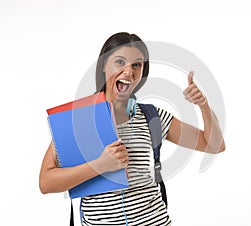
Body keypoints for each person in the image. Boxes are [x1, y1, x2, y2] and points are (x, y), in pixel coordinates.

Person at [39, 32, 225, 226]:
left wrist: (203, 105)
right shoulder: (78, 121)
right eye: (120, 62)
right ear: (103, 65)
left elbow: (214, 145)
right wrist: (100, 165)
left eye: (137, 64)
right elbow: (45, 182)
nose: (129, 72)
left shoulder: (153, 117)